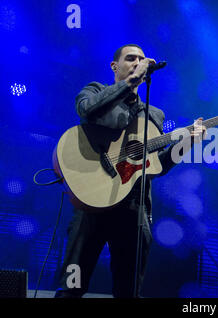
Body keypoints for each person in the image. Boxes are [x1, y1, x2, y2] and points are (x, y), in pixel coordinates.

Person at [54, 44, 205, 298]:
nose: (138, 62)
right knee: (72, 287)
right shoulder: (95, 91)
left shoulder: (154, 114)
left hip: (133, 209)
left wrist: (187, 143)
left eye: (142, 59)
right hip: (91, 204)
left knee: (128, 291)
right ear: (115, 66)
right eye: (131, 58)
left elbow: (156, 167)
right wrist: (132, 82)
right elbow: (88, 110)